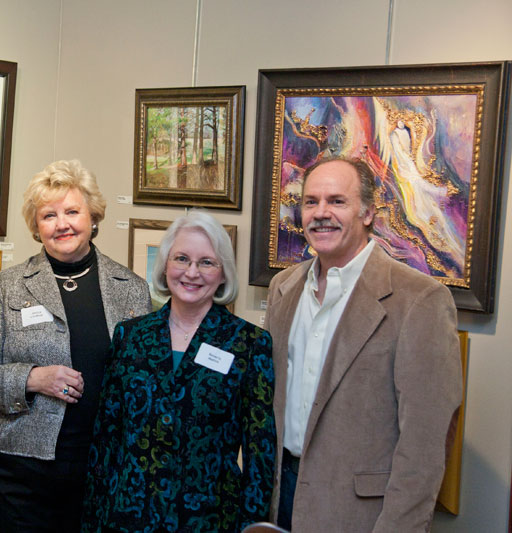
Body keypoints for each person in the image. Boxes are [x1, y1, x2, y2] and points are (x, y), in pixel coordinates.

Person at [266, 157, 462, 532]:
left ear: (369, 211)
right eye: (311, 202)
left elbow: (424, 447)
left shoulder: (419, 300)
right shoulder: (284, 288)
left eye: (337, 201)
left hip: (359, 514)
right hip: (282, 498)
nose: (321, 213)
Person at [0, 159, 151, 533]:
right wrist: (31, 378)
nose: (62, 224)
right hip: (16, 471)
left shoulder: (130, 288)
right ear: (36, 226)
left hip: (100, 467)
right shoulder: (7, 285)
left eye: (72, 211)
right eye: (49, 215)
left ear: (93, 216)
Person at [82, 210, 276, 533]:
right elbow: (106, 442)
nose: (192, 272)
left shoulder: (249, 344)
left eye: (206, 262)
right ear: (165, 264)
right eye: (182, 258)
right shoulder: (130, 337)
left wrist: (251, 527)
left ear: (224, 273)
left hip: (209, 521)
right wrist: (93, 522)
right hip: (129, 517)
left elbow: (260, 455)